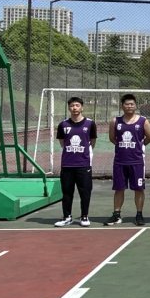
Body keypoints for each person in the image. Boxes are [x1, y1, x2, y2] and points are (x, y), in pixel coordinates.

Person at [106, 93, 150, 226]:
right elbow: (112, 138)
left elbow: (149, 137)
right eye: (127, 104)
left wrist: (139, 146)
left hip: (137, 161)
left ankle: (139, 214)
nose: (129, 106)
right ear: (122, 106)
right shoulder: (115, 121)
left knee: (139, 189)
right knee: (119, 188)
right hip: (120, 161)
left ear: (136, 106)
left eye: (132, 104)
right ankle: (116, 214)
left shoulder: (143, 121)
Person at [54, 97, 96, 227]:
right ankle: (67, 217)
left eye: (77, 105)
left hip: (83, 165)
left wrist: (83, 153)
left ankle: (84, 216)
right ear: (69, 108)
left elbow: (92, 142)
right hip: (67, 165)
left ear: (82, 107)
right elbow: (62, 143)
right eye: (72, 105)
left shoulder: (90, 124)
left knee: (85, 192)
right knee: (67, 192)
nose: (75, 108)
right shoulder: (63, 125)